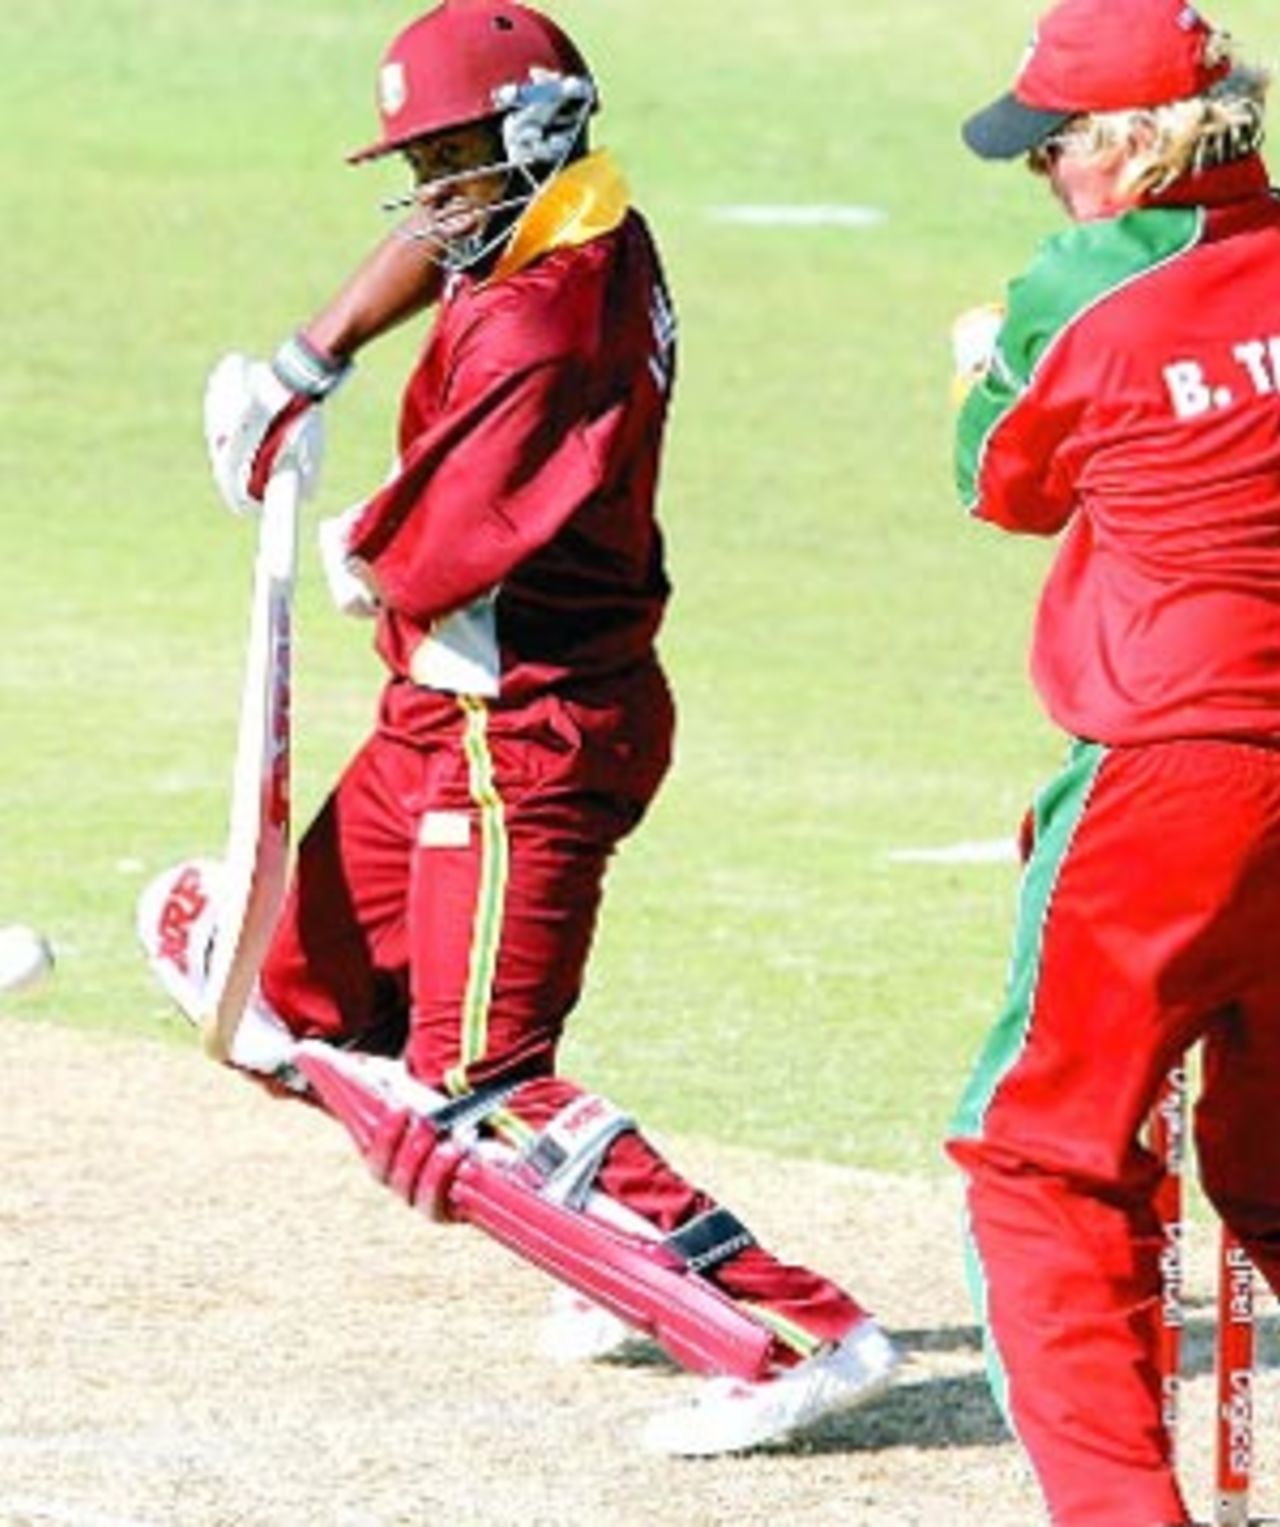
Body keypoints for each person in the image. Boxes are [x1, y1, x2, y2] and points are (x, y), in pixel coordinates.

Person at [140, 0, 897, 1455]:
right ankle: (596, 1245)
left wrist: (318, 516)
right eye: (419, 162)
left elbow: (418, 555)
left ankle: (799, 1333)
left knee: (477, 1087)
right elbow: (450, 230)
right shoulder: (563, 214)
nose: (430, 195)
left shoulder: (549, 323)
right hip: (452, 711)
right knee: (290, 1003)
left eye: (450, 160)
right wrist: (312, 362)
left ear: (531, 138)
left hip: (525, 739)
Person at [946, 0, 1280, 1520]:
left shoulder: (1083, 288)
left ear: (1132, 142)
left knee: (1039, 1166)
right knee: (1268, 1165)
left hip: (1173, 775)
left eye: (1054, 151)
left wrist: (975, 369)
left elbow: (1001, 487)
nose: (1047, 180)